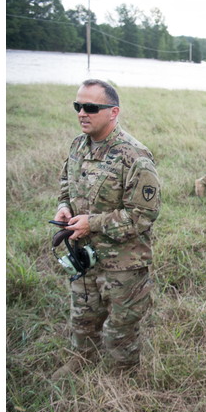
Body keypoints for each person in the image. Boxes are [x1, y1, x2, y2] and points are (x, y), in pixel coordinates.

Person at [51, 79, 161, 379]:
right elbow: (66, 184)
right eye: (78, 106)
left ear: (113, 112)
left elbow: (144, 215)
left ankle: (121, 379)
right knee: (83, 317)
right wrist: (64, 207)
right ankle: (81, 359)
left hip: (122, 264)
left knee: (121, 326)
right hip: (84, 256)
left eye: (90, 107)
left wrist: (92, 223)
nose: (82, 113)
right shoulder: (78, 145)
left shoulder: (135, 156)